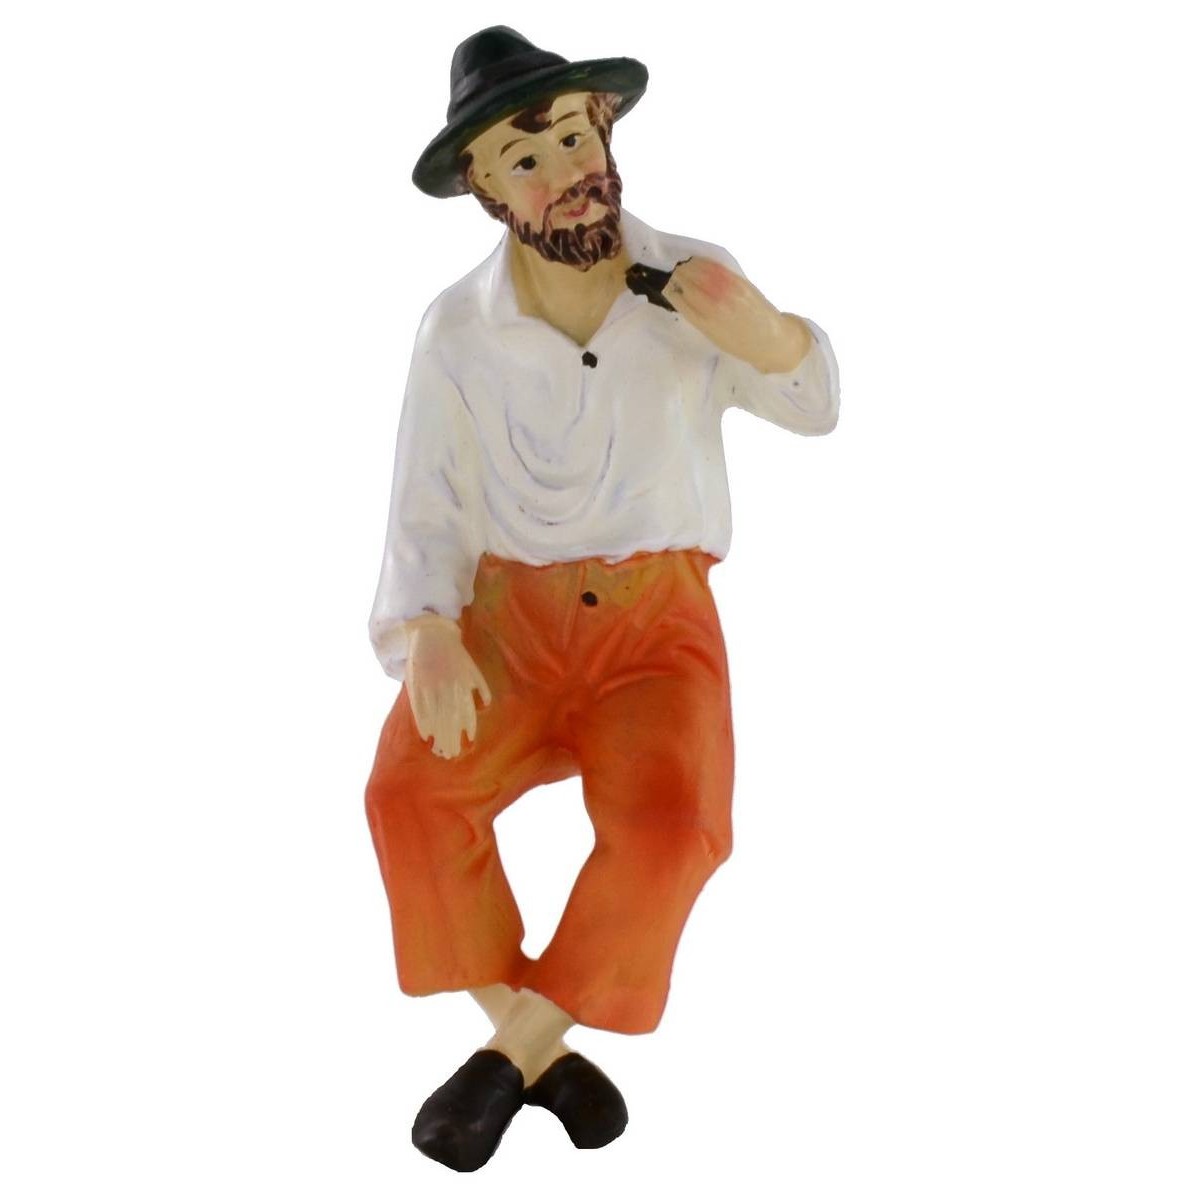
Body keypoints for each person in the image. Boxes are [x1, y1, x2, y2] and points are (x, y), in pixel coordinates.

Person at [365, 26, 839, 1172]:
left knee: (674, 828)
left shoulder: (692, 283)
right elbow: (426, 499)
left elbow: (815, 406)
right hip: (506, 622)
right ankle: (540, 1051)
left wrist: (767, 334)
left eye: (574, 139)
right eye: (524, 159)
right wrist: (427, 629)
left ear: (607, 131)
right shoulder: (456, 331)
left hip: (652, 626)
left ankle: (503, 1063)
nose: (564, 170)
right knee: (409, 797)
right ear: (484, 187)